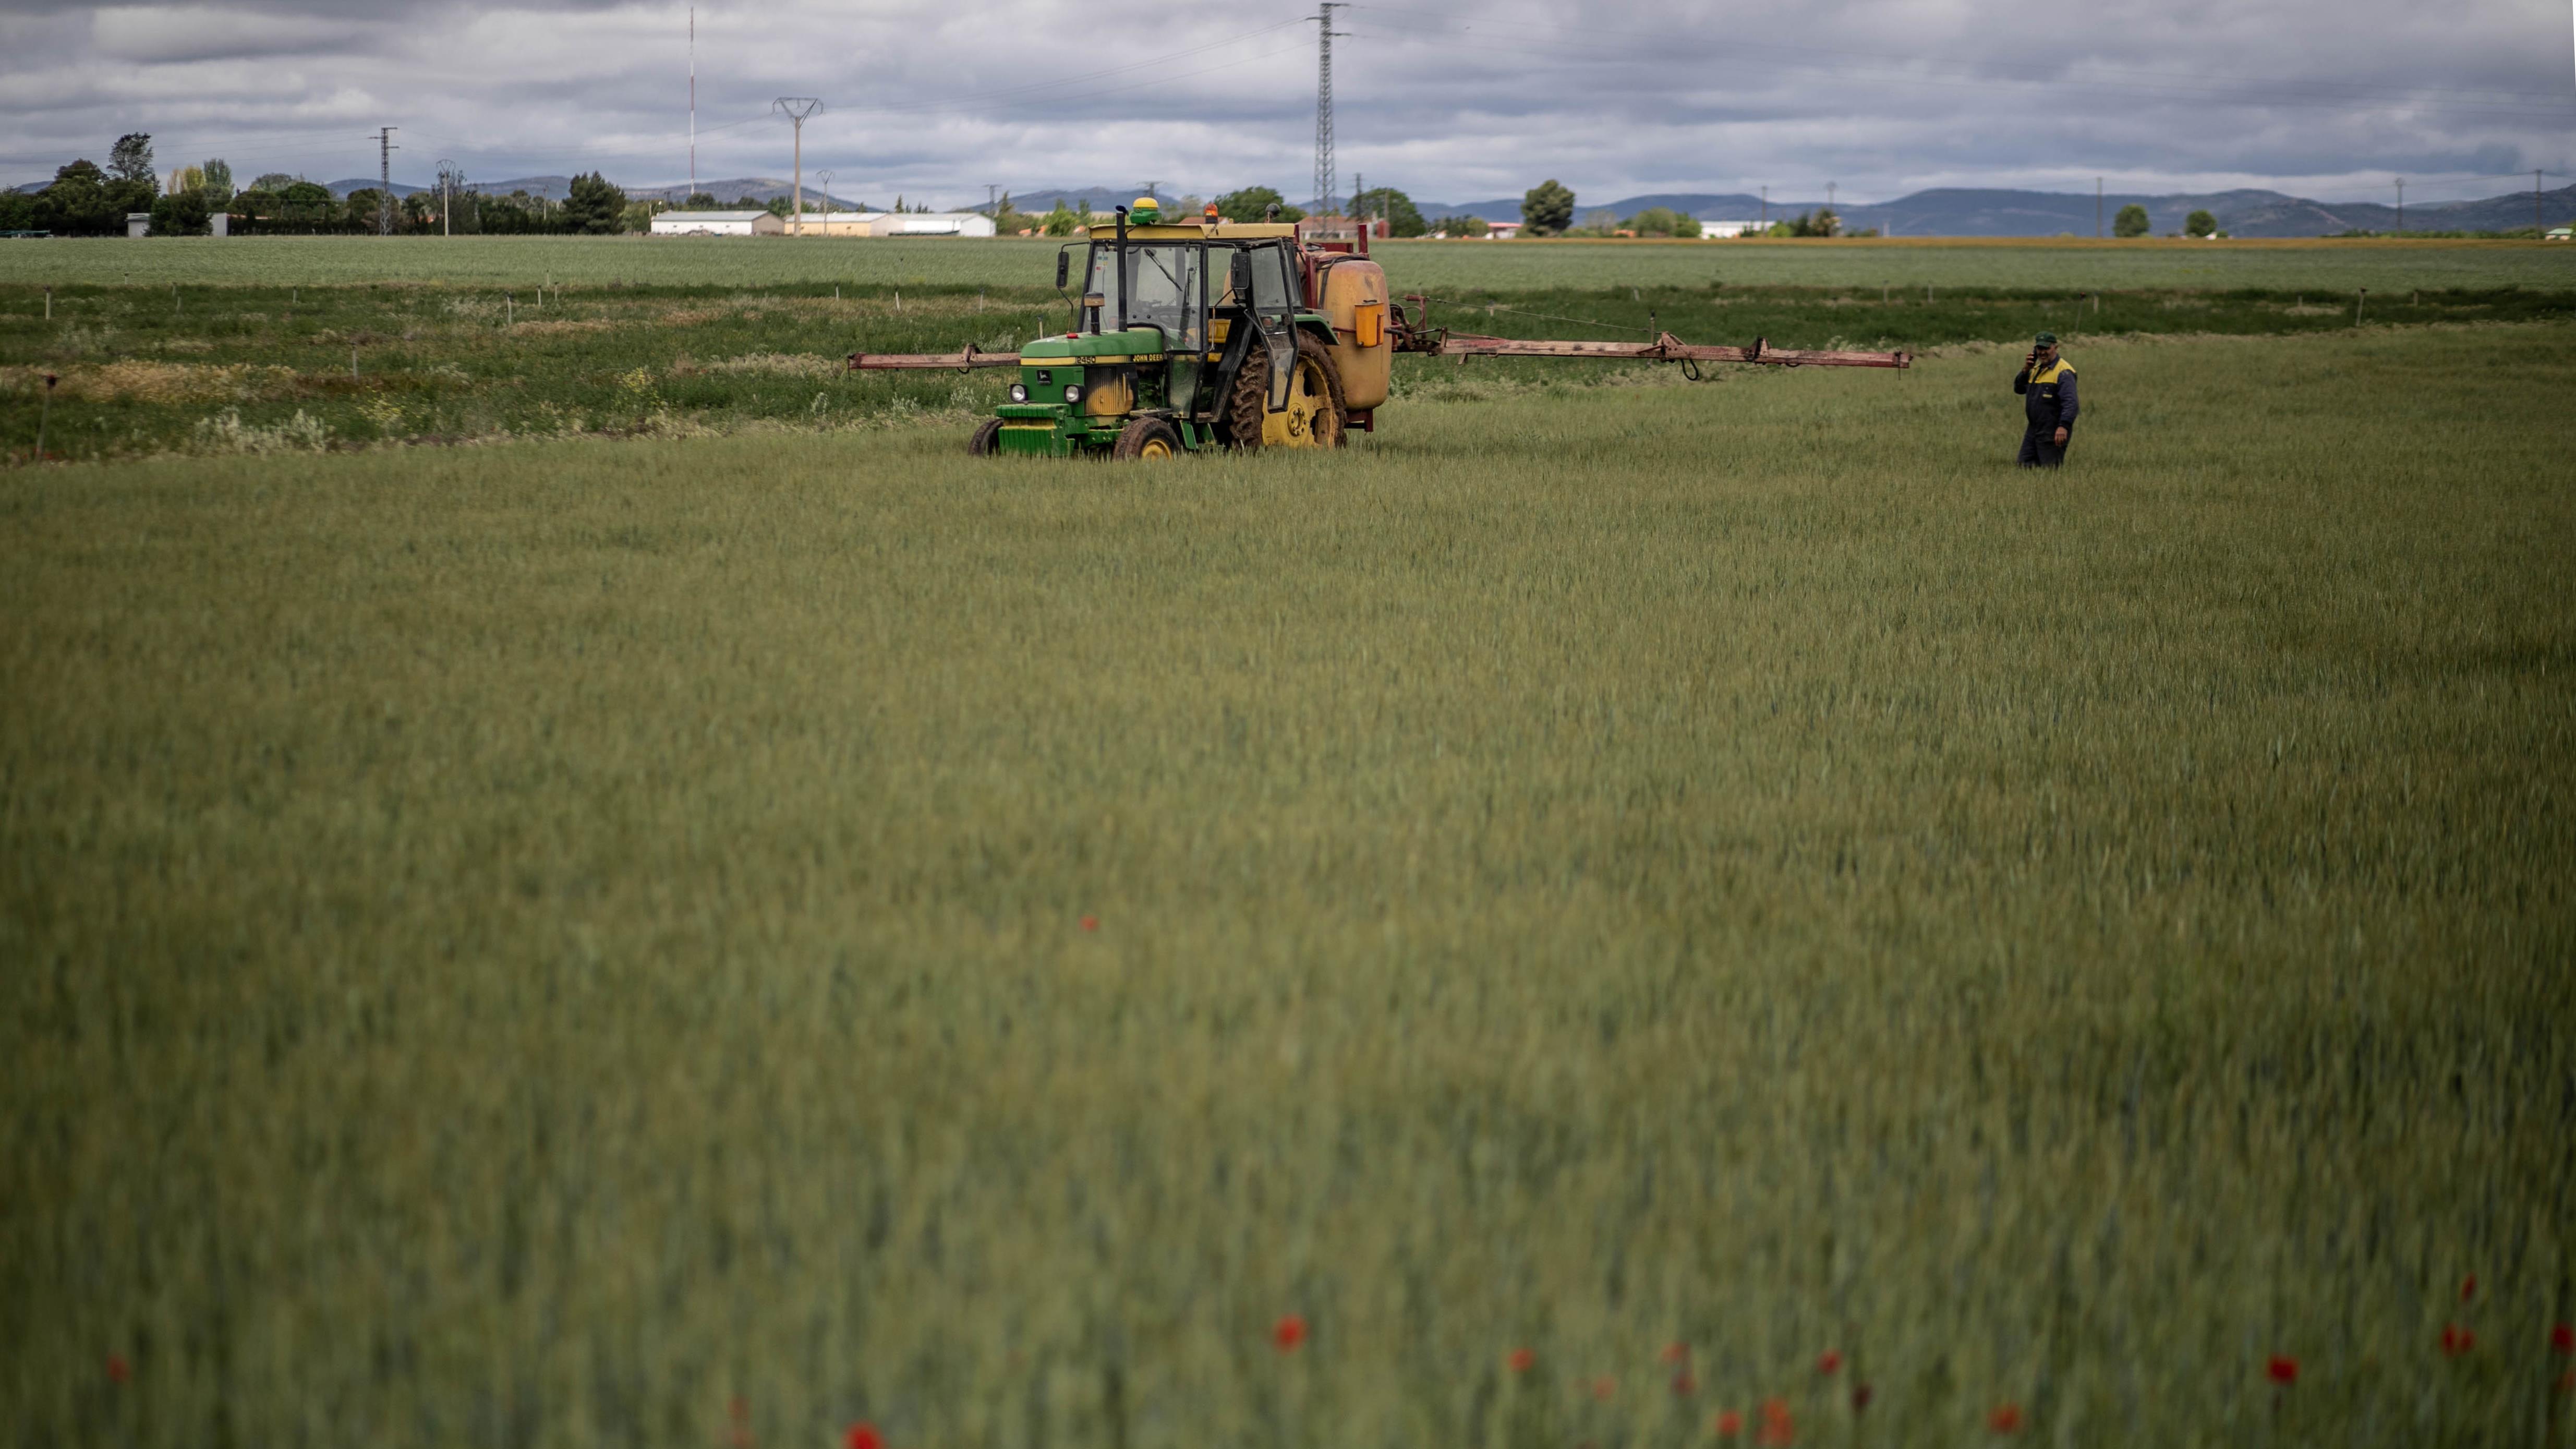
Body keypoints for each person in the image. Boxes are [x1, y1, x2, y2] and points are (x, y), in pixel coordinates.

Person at [2012, 332, 2079, 467]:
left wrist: (2063, 427)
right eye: (2039, 349)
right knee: (2024, 466)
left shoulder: (2064, 372)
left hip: (2053, 430)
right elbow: (2019, 389)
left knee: (2050, 471)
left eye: (2046, 349)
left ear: (2055, 348)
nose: (2043, 353)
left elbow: (2071, 403)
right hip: (2034, 429)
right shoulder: (2035, 370)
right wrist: (2026, 369)